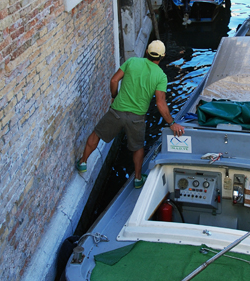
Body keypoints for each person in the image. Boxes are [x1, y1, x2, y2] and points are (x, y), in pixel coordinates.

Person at [76, 41, 185, 188]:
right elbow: (160, 104)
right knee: (138, 147)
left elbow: (114, 80)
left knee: (96, 135)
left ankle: (83, 162)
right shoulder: (161, 76)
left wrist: (114, 95)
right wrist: (172, 123)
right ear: (162, 56)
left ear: (147, 51)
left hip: (117, 111)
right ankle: (138, 179)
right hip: (137, 119)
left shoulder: (132, 61)